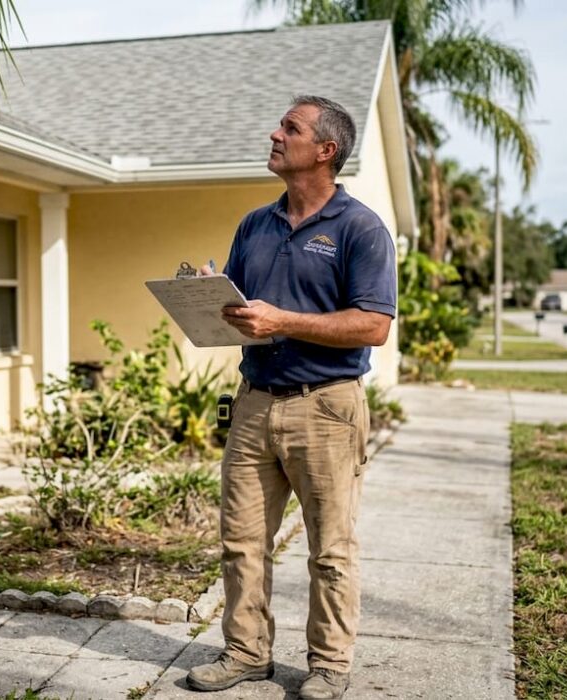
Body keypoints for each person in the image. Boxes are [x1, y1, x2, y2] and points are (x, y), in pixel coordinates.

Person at [186, 95, 397, 699]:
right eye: (280, 125)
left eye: (291, 128)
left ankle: (329, 666)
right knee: (241, 540)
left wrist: (283, 321)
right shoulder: (255, 224)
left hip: (326, 406)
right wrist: (211, 296)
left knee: (330, 547)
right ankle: (247, 653)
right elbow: (245, 312)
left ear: (325, 150)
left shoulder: (360, 229)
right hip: (254, 401)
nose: (275, 134)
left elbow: (373, 325)